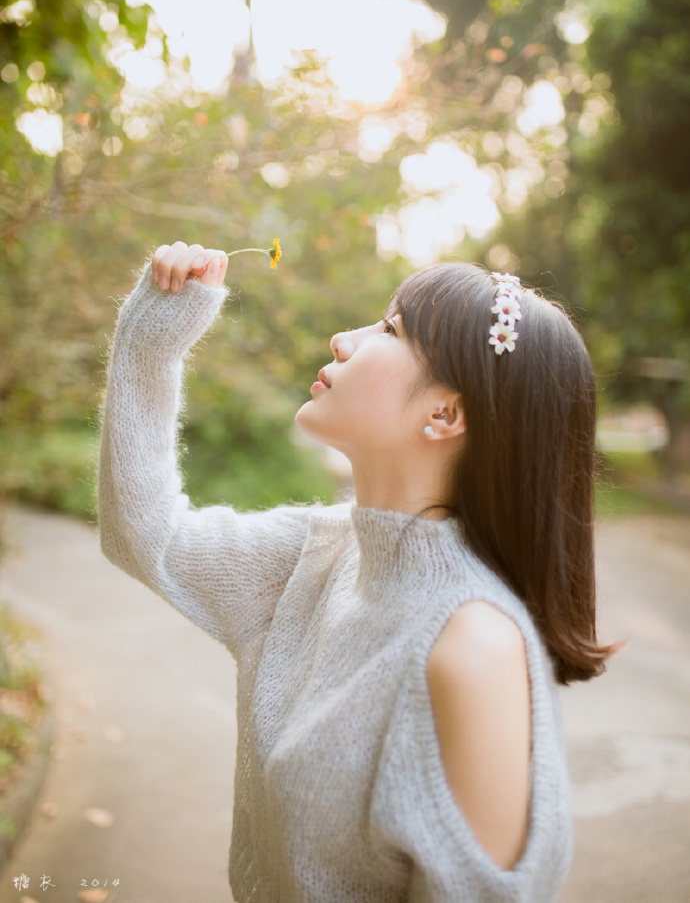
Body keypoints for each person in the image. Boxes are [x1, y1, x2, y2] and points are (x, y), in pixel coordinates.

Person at [98, 240, 616, 903]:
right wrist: (155, 336)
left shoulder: (470, 647)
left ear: (446, 413)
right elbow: (149, 538)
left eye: (391, 329)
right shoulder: (320, 552)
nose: (344, 339)